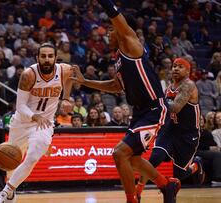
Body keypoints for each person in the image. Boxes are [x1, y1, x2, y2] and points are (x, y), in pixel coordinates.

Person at [73, 1, 180, 202]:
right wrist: (84, 81)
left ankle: (132, 199)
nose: (107, 33)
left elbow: (116, 16)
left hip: (154, 108)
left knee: (119, 153)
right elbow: (116, 86)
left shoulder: (131, 44)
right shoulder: (120, 58)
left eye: (111, 30)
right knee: (132, 158)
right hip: (140, 111)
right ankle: (168, 185)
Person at [0, 43, 75, 203]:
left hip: (45, 124)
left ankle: (4, 193)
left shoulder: (64, 69)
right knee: (11, 161)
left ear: (55, 58)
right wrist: (35, 116)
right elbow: (20, 105)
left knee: (33, 156)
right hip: (22, 122)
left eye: (50, 56)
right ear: (37, 58)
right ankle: (10, 193)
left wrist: (65, 98)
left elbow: (70, 76)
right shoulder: (28, 75)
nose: (47, 59)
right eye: (43, 56)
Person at [136, 58, 204, 201]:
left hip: (187, 134)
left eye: (180, 67)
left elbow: (174, 108)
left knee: (180, 175)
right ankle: (138, 191)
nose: (176, 69)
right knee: (154, 159)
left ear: (188, 71)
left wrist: (155, 101)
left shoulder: (189, 86)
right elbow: (164, 110)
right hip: (170, 130)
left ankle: (196, 165)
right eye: (174, 66)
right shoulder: (168, 88)